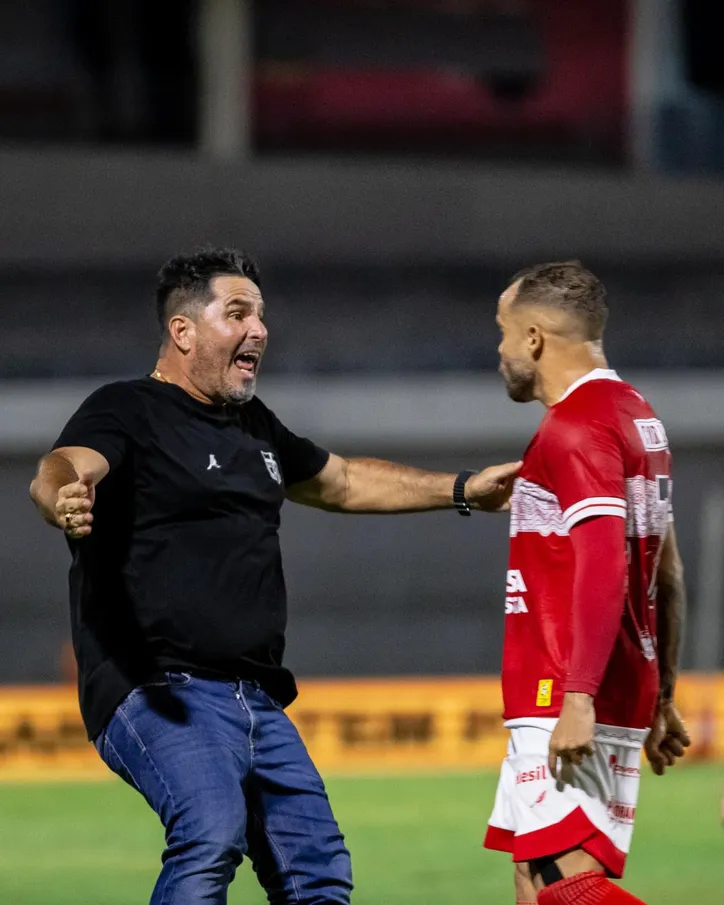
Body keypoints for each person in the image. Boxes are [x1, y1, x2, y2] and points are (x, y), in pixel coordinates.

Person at [29, 247, 519, 905]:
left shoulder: (254, 425)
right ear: (183, 331)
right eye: (238, 313)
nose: (259, 329)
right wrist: (61, 495)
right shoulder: (126, 408)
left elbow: (343, 481)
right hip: (157, 686)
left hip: (256, 698)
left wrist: (463, 489)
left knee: (318, 872)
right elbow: (61, 465)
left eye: (260, 315)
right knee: (209, 832)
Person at [483, 261, 691, 905]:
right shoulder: (635, 415)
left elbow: (604, 562)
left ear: (534, 338)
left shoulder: (574, 428)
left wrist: (577, 697)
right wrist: (662, 696)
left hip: (567, 686)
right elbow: (667, 572)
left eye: (503, 332)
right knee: (532, 878)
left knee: (565, 884)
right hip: (605, 681)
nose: (500, 350)